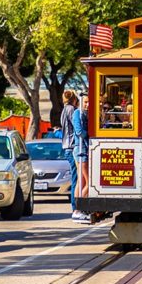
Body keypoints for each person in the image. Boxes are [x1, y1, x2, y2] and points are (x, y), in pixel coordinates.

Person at [72, 99, 91, 224]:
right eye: (85, 102)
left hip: (84, 149)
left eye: (89, 102)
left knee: (81, 181)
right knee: (89, 183)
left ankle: (78, 210)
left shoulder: (86, 114)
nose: (87, 104)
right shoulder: (77, 114)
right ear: (80, 102)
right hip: (80, 150)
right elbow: (79, 132)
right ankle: (78, 208)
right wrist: (92, 134)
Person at [61, 90, 79, 218]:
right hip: (71, 146)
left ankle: (76, 206)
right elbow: (76, 127)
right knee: (75, 178)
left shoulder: (64, 109)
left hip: (67, 146)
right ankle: (75, 207)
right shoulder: (71, 110)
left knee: (75, 178)